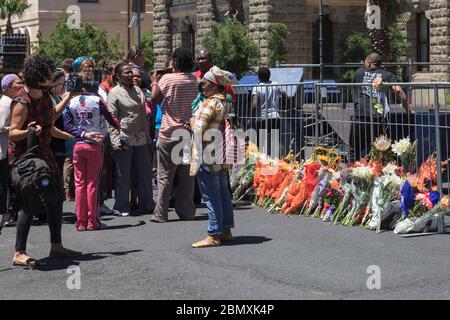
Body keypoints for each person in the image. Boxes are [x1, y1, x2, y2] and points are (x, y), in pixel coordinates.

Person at [9, 54, 81, 268]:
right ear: (39, 75)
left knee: (56, 198)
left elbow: (50, 121)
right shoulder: (22, 101)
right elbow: (13, 133)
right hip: (26, 160)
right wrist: (29, 131)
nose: (52, 75)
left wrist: (67, 100)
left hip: (44, 155)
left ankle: (56, 246)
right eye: (48, 73)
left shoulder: (46, 96)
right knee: (29, 202)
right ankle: (19, 252)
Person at [64, 56, 120, 231]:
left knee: (79, 183)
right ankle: (92, 221)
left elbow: (67, 125)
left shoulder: (70, 101)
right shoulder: (97, 100)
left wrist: (81, 133)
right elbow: (111, 119)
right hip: (95, 144)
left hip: (78, 145)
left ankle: (80, 222)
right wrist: (118, 126)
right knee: (92, 183)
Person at [150, 47, 198, 223]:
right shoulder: (194, 80)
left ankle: (161, 213)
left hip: (168, 133)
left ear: (175, 61)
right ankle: (186, 211)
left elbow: (154, 99)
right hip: (186, 133)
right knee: (187, 176)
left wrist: (155, 81)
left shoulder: (167, 79)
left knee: (165, 176)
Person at [190, 66, 235, 248]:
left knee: (211, 195)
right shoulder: (224, 101)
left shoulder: (210, 103)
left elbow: (199, 128)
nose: (202, 86)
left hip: (207, 154)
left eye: (206, 83)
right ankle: (226, 229)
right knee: (223, 193)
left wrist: (192, 121)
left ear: (215, 86)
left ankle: (213, 234)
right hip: (220, 153)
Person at [108, 62, 154, 217]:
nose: (130, 75)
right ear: (118, 75)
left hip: (141, 137)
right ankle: (122, 206)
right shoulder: (114, 93)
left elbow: (143, 118)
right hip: (124, 137)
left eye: (132, 73)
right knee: (123, 176)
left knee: (145, 174)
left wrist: (148, 139)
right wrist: (115, 141)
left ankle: (147, 204)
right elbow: (112, 119)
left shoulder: (139, 91)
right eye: (127, 73)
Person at [351, 52, 410, 161]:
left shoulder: (359, 72)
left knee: (354, 150)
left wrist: (356, 105)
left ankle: (352, 172)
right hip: (377, 117)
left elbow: (353, 91)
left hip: (360, 115)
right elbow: (399, 91)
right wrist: (408, 110)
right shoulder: (387, 75)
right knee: (378, 150)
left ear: (369, 63)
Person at [0, 74, 23, 231]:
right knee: (4, 183)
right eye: (18, 83)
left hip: (7, 148)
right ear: (9, 87)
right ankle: (5, 213)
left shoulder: (11, 102)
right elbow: (1, 127)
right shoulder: (6, 104)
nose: (21, 86)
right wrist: (17, 128)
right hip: (3, 149)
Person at [251, 67, 286, 156]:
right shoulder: (276, 85)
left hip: (261, 119)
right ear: (269, 75)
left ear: (258, 76)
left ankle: (261, 163)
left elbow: (254, 105)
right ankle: (279, 162)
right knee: (276, 141)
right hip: (275, 117)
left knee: (261, 143)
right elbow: (286, 97)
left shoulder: (257, 87)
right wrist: (289, 106)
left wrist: (252, 118)